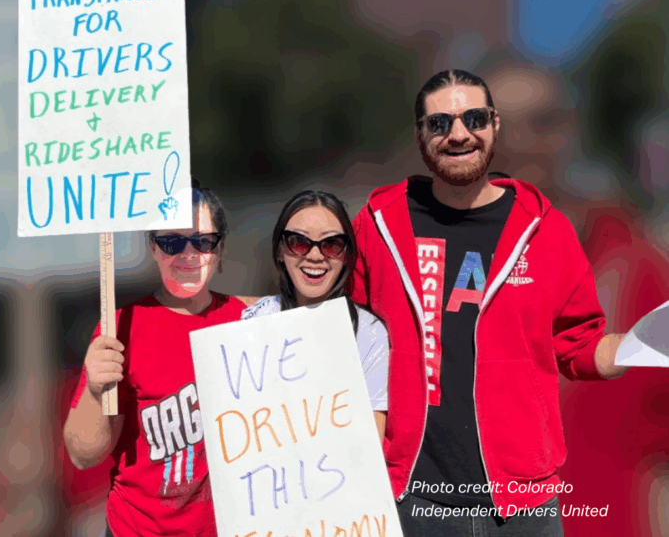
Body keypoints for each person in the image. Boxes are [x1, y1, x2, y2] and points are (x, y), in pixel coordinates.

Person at [349, 69, 629, 537]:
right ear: (420, 136)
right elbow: (341, 335)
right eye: (440, 123)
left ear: (495, 125)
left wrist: (644, 347)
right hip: (413, 500)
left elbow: (578, 344)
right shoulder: (379, 225)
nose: (458, 134)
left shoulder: (546, 230)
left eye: (473, 118)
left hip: (524, 506)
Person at [63, 179, 247, 537]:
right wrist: (95, 390)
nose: (188, 253)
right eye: (172, 242)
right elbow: (83, 454)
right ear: (153, 248)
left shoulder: (248, 319)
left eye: (203, 241)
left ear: (220, 248)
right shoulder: (119, 328)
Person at [242, 190, 389, 437]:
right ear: (279, 251)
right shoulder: (254, 321)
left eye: (331, 245)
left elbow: (372, 441)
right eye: (298, 242)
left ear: (346, 255)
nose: (315, 255)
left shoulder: (369, 333)